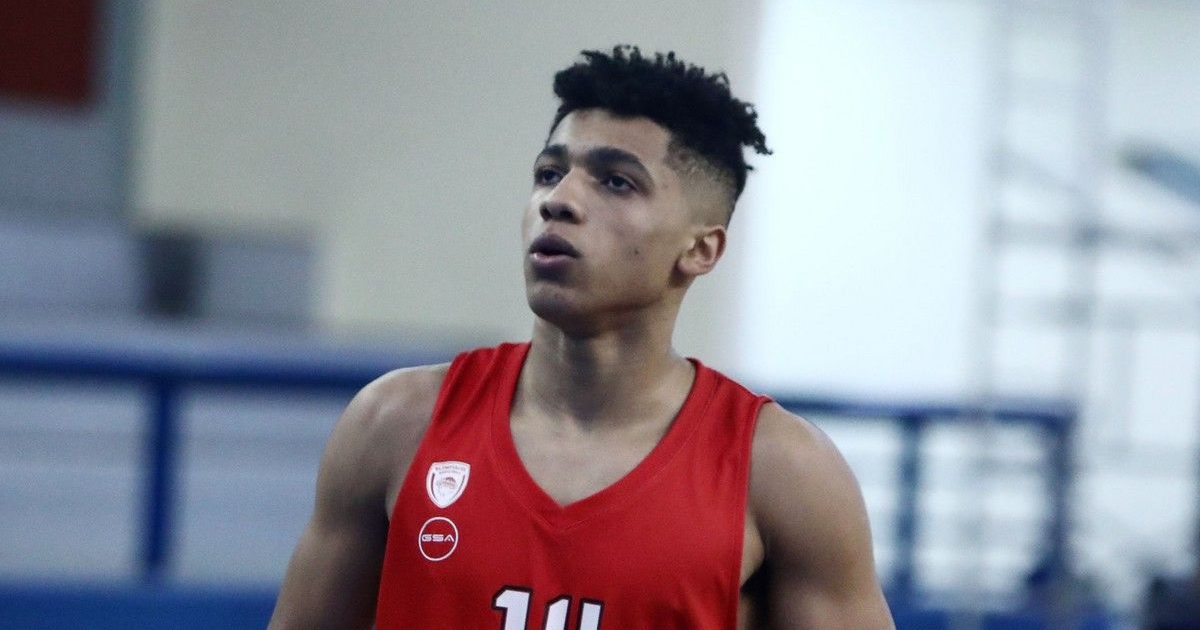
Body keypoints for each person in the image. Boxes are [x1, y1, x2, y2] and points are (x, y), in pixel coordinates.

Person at [269, 45, 894, 629]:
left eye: (616, 181)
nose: (559, 200)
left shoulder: (782, 472)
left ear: (700, 249)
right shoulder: (395, 422)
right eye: (549, 173)